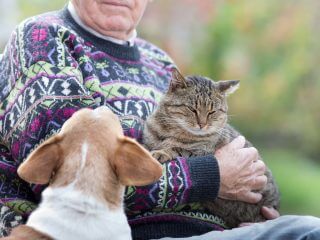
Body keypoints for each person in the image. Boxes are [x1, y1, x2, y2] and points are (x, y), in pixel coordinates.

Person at [0, 0, 319, 239]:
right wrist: (212, 176)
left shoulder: (160, 63)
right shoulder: (45, 37)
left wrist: (256, 217)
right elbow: (73, 181)